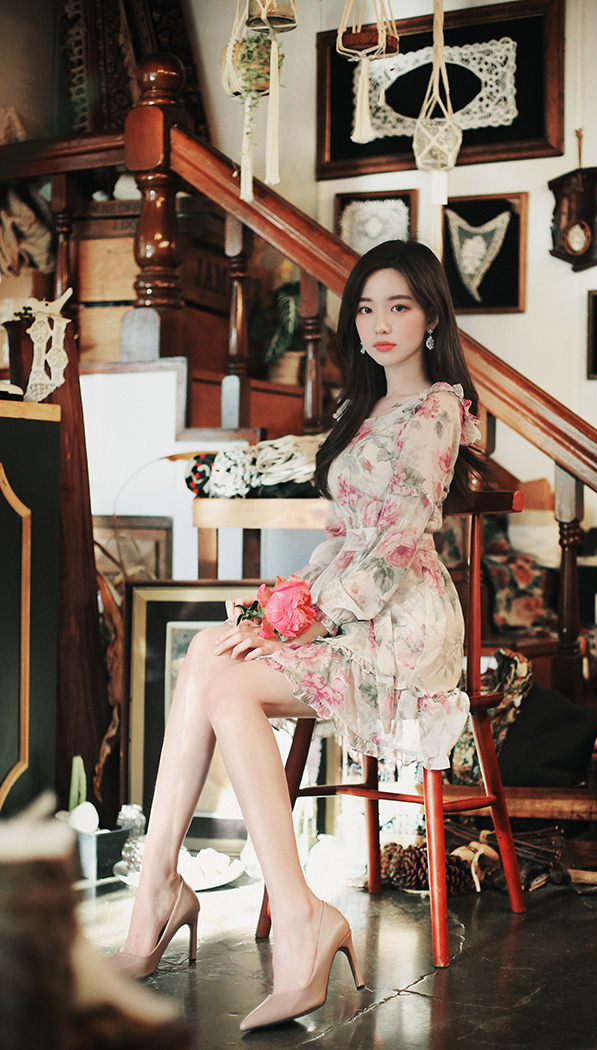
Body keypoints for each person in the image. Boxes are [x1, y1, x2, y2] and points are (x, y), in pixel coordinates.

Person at [109, 239, 483, 1031]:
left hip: (400, 619)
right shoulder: (360, 410)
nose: (379, 323)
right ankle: (159, 889)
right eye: (367, 308)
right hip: (346, 600)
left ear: (431, 316)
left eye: (399, 306)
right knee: (210, 651)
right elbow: (341, 540)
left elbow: (394, 547)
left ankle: (296, 919)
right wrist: (275, 609)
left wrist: (306, 619)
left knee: (229, 687)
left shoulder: (437, 409)